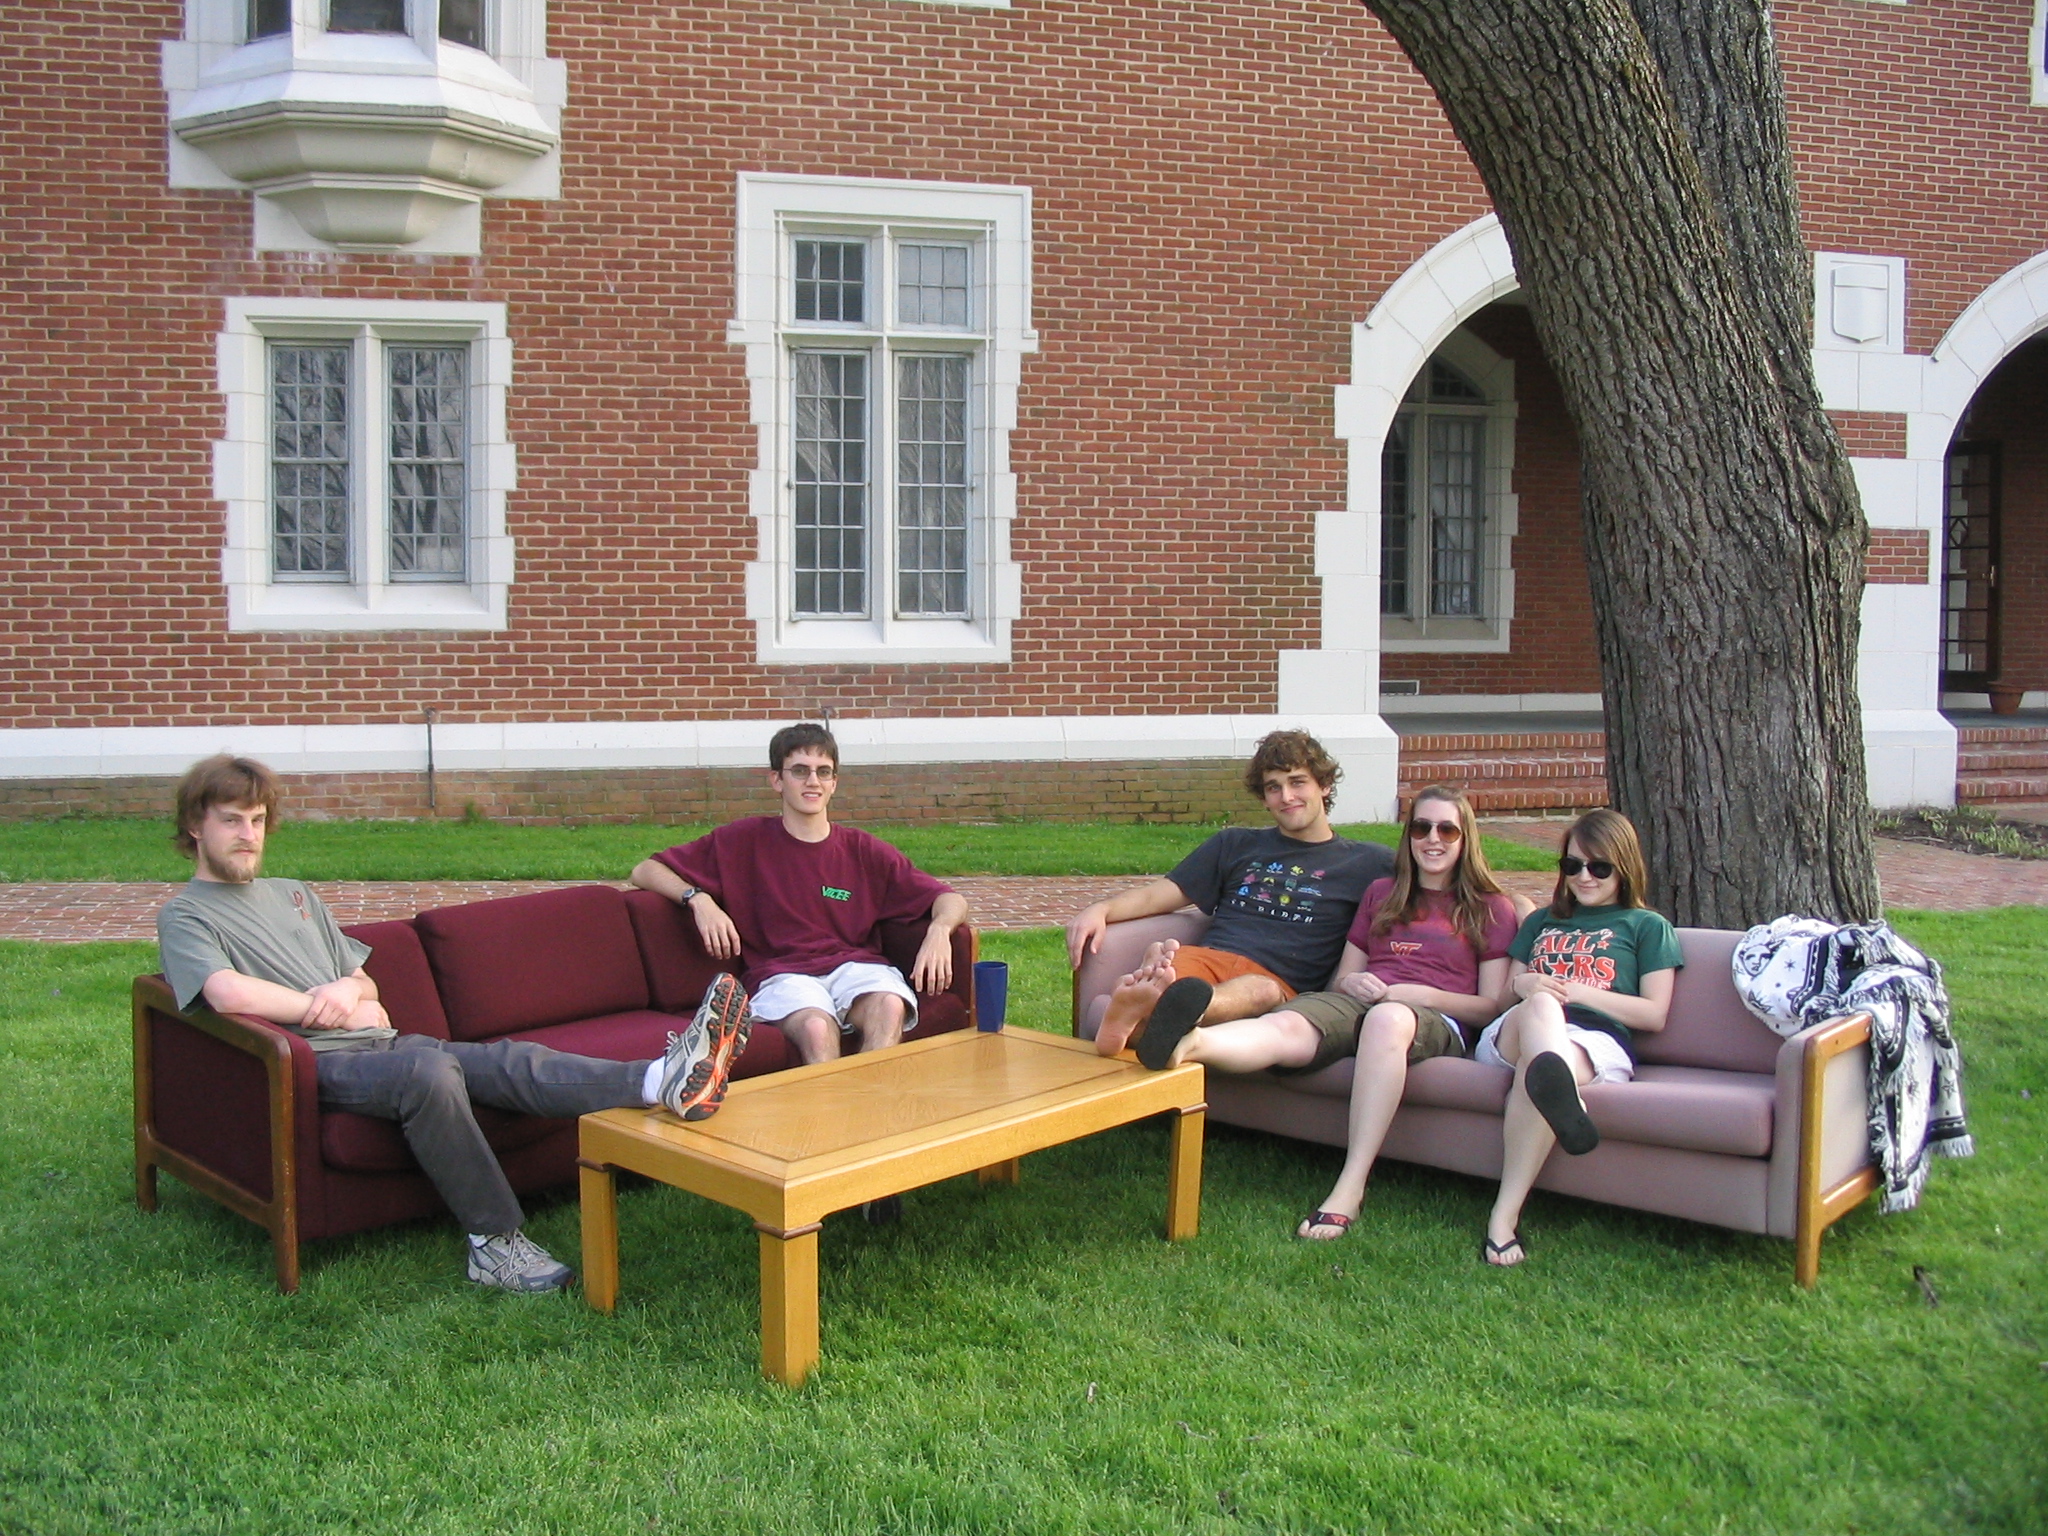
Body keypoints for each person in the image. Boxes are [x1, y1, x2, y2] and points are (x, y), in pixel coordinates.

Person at [155, 755, 751, 1294]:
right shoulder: (185, 915)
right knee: (429, 1069)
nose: (248, 835)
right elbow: (225, 991)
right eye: (231, 821)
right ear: (195, 827)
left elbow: (365, 983)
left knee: (507, 1059)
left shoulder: (294, 895)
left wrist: (347, 992)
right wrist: (328, 1006)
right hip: (316, 1062)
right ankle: (494, 1243)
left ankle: (661, 1080)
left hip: (380, 1041)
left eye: (257, 821)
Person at [630, 722, 968, 1069]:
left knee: (889, 1006)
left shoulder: (863, 850)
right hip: (782, 974)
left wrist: (939, 930)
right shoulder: (741, 841)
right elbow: (645, 870)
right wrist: (698, 899)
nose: (813, 781)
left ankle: (869, 1098)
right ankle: (829, 1103)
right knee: (817, 1028)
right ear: (777, 780)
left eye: (824, 772)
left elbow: (949, 899)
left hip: (855, 968)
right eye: (800, 771)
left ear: (834, 783)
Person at [1066, 731, 1395, 1059]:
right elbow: (1162, 894)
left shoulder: (1368, 861)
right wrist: (1102, 910)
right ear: (1264, 798)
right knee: (1175, 971)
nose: (1286, 796)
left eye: (1297, 782)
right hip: (1210, 959)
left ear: (1324, 785)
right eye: (1273, 787)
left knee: (1259, 990)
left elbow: (1419, 897)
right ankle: (1150, 1001)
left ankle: (1147, 1012)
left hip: (1277, 984)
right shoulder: (1236, 844)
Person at [1477, 808, 1683, 1267]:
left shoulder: (1647, 926)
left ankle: (1502, 1218)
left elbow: (1654, 1014)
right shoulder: (1542, 921)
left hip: (1593, 1042)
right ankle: (1562, 1094)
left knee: (1539, 1069)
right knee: (1541, 1008)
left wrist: (1576, 990)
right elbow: (1506, 994)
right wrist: (1527, 983)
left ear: (1624, 866)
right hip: (1516, 1030)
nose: (1584, 877)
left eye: (1599, 867)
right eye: (1572, 865)